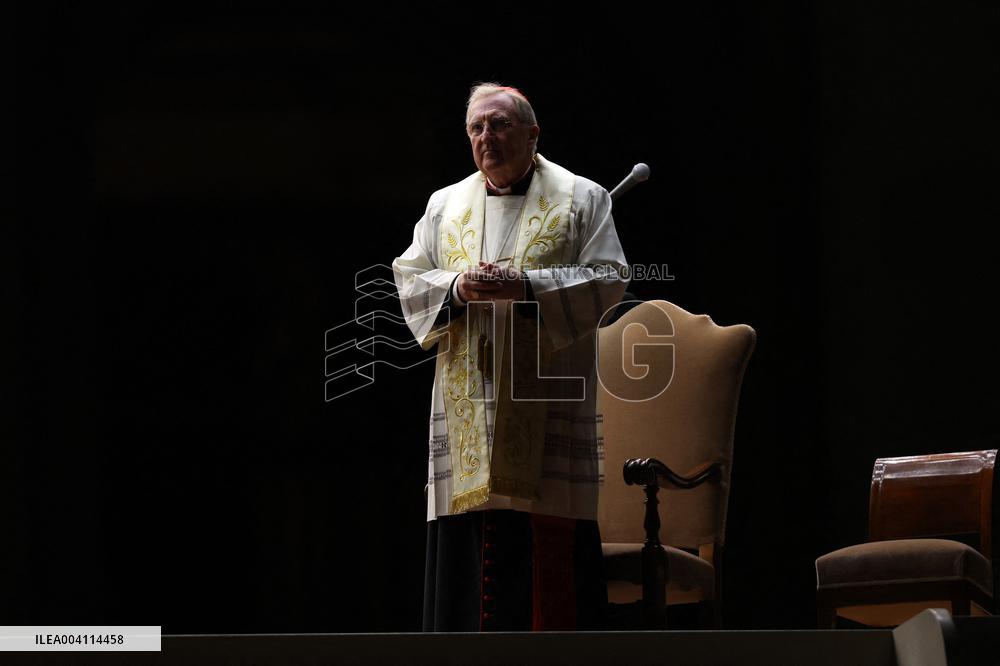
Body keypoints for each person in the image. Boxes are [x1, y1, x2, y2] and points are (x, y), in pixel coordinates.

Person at [392, 83, 629, 632]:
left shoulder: (582, 197)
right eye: (476, 128)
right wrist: (456, 288)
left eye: (498, 125)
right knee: (467, 562)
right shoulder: (445, 204)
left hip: (547, 402)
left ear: (532, 133)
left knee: (544, 562)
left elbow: (610, 278)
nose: (486, 138)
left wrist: (525, 287)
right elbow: (410, 277)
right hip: (466, 403)